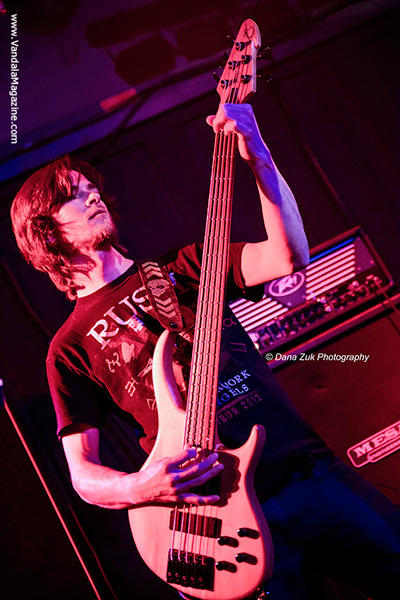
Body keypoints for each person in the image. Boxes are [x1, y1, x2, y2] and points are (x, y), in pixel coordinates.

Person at [11, 104, 400, 599]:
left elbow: (287, 256)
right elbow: (83, 476)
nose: (93, 196)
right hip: (214, 520)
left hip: (306, 477)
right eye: (73, 195)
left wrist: (257, 153)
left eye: (92, 189)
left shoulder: (188, 267)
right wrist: (143, 487)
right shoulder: (68, 350)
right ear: (45, 232)